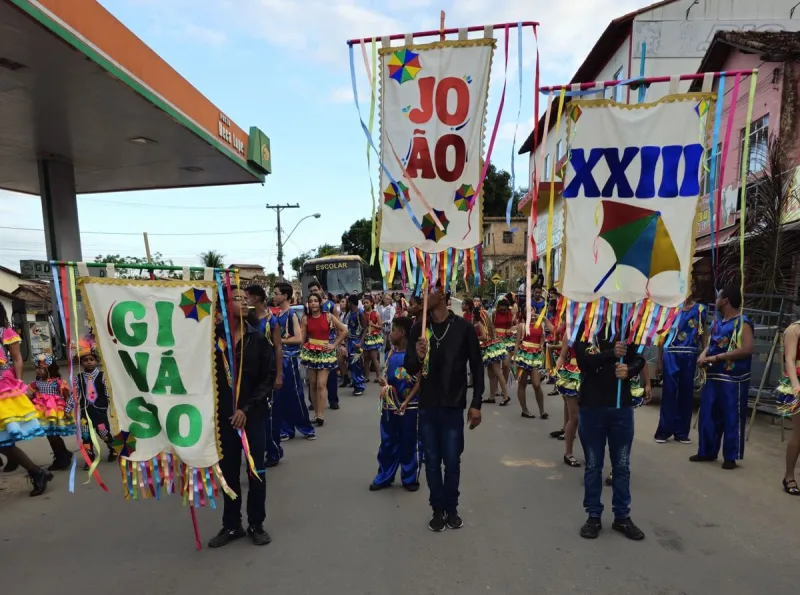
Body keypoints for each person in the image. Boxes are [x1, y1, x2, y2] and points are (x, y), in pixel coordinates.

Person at [405, 284, 484, 532]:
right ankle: (437, 509)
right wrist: (418, 355)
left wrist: (476, 404)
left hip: (453, 405)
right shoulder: (419, 329)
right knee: (431, 460)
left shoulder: (463, 328)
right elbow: (409, 367)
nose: (424, 294)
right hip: (428, 405)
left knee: (452, 460)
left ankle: (452, 508)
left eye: (430, 290)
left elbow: (477, 367)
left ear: (443, 296)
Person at [209, 287, 274, 548]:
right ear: (224, 305)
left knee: (256, 470)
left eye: (246, 299)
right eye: (237, 299)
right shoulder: (214, 340)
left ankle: (256, 523)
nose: (244, 302)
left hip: (252, 416)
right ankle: (232, 525)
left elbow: (267, 379)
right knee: (228, 472)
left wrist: (245, 409)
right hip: (223, 418)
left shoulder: (258, 339)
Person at [574, 326, 646, 541]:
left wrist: (630, 370)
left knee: (622, 465)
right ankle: (593, 515)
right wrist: (611, 354)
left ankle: (622, 516)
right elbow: (583, 362)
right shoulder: (586, 329)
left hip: (621, 408)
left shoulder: (627, 328)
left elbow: (640, 358)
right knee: (594, 465)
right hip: (591, 407)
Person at [691, 286, 754, 470]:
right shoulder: (718, 323)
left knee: (731, 416)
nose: (716, 300)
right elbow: (710, 345)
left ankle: (730, 456)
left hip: (733, 378)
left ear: (725, 300)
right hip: (713, 375)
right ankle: (706, 451)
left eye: (718, 297)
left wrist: (716, 358)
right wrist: (703, 355)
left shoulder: (743, 323)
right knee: (708, 414)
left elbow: (747, 349)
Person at [0, 306, 51, 495]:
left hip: (2, 388)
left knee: (3, 441)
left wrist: (19, 383)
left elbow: (17, 359)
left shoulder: (5, 333)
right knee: (3, 441)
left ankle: (36, 472)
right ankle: (31, 468)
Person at [370, 317, 421, 492]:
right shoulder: (390, 353)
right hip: (389, 406)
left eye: (393, 330)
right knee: (387, 442)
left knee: (409, 442)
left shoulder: (413, 356)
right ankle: (385, 474)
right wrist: (384, 383)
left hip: (409, 406)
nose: (390, 334)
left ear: (403, 332)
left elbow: (418, 382)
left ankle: (409, 477)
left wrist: (406, 401)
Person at [655, 296, 706, 444]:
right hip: (671, 353)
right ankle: (663, 431)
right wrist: (659, 361)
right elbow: (662, 336)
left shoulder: (700, 309)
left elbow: (703, 333)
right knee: (669, 392)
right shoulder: (670, 308)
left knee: (686, 392)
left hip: (690, 354)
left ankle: (682, 432)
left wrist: (705, 353)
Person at [245, 285, 284, 466]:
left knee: (269, 414)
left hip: (267, 372)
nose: (245, 301)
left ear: (257, 299)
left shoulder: (271, 321)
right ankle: (254, 450)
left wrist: (278, 375)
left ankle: (273, 450)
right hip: (251, 373)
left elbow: (278, 348)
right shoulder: (247, 320)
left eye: (247, 298)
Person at [272, 283, 316, 442]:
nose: (274, 295)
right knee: (280, 396)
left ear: (284, 296)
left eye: (276, 293)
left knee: (295, 394)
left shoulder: (291, 315)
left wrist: (279, 340)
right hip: (280, 358)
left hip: (289, 359)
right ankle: (286, 429)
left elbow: (298, 338)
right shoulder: (277, 315)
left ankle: (306, 427)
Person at [300, 294, 348, 425]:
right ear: (308, 304)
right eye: (311, 301)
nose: (313, 303)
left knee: (321, 384)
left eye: (316, 301)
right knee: (313, 384)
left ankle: (321, 415)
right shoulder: (305, 319)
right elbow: (302, 338)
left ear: (320, 303)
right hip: (310, 352)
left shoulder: (328, 316)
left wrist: (334, 344)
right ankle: (316, 413)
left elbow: (344, 330)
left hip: (325, 352)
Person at [74, 339, 117, 470]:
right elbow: (75, 394)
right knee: (86, 434)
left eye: (91, 359)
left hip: (99, 410)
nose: (89, 362)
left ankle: (113, 448)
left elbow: (107, 392)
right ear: (81, 363)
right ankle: (89, 456)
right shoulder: (79, 378)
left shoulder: (102, 376)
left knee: (103, 432)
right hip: (85, 411)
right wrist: (68, 408)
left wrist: (112, 407)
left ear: (96, 361)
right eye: (85, 360)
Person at [29, 354, 75, 470]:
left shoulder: (57, 382)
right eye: (37, 368)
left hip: (55, 412)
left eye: (42, 369)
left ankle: (62, 457)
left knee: (54, 436)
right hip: (43, 412)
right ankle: (62, 455)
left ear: (49, 370)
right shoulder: (37, 383)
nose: (38, 371)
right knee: (50, 436)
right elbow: (33, 394)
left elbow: (68, 397)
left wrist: (67, 410)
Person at [513, 305, 552, 419]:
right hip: (523, 356)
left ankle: (542, 410)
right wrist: (515, 360)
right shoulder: (522, 326)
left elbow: (544, 339)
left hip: (535, 356)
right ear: (525, 314)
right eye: (528, 311)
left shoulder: (541, 324)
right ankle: (525, 410)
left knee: (536, 384)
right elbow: (517, 343)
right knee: (522, 383)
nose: (531, 312)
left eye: (532, 310)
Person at [309, 281, 342, 408]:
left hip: (329, 344)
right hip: (313, 347)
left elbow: (339, 327)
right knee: (313, 379)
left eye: (315, 290)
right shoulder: (308, 306)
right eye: (311, 291)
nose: (313, 293)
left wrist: (339, 344)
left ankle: (333, 400)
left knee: (331, 375)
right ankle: (314, 402)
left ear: (320, 289)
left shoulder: (330, 305)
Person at [777, 320, 800, 495]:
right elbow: (790, 360)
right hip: (798, 383)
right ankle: (789, 476)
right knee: (798, 433)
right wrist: (795, 385)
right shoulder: (794, 329)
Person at [553, 323, 581, 465]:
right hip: (573, 375)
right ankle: (568, 453)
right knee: (574, 417)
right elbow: (562, 356)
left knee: (589, 419)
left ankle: (592, 453)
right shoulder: (570, 331)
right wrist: (555, 372)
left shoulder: (600, 330)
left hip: (592, 375)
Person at [475, 304, 510, 406]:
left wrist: (475, 337)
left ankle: (506, 396)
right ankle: (491, 397)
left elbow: (484, 337)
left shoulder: (480, 323)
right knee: (491, 374)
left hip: (491, 349)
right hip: (491, 348)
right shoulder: (486, 322)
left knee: (498, 373)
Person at [344, 295, 367, 396]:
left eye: (347, 302)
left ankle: (360, 385)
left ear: (351, 303)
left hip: (357, 342)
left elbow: (365, 329)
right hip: (350, 341)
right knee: (351, 364)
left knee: (357, 364)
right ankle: (355, 383)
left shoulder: (360, 313)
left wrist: (361, 343)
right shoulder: (349, 313)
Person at [492, 298, 516, 396]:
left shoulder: (511, 313)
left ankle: (504, 387)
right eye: (501, 309)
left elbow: (514, 326)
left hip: (507, 340)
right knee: (496, 367)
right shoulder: (494, 313)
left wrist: (510, 330)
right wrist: (495, 335)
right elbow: (491, 326)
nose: (502, 311)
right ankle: (496, 388)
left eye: (504, 310)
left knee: (506, 365)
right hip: (496, 340)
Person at [362, 294, 383, 383]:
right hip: (365, 337)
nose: (365, 304)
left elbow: (380, 326)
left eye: (367, 303)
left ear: (371, 303)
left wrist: (373, 325)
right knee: (366, 358)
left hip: (373, 338)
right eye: (364, 303)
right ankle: (366, 376)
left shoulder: (376, 313)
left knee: (374, 357)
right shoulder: (362, 313)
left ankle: (378, 376)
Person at [378, 293, 397, 358]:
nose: (388, 300)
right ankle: (381, 363)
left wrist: (383, 322)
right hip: (380, 329)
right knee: (381, 345)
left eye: (389, 299)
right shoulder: (378, 307)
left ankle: (392, 360)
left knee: (392, 345)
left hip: (389, 329)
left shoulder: (391, 308)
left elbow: (391, 319)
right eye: (387, 299)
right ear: (383, 299)